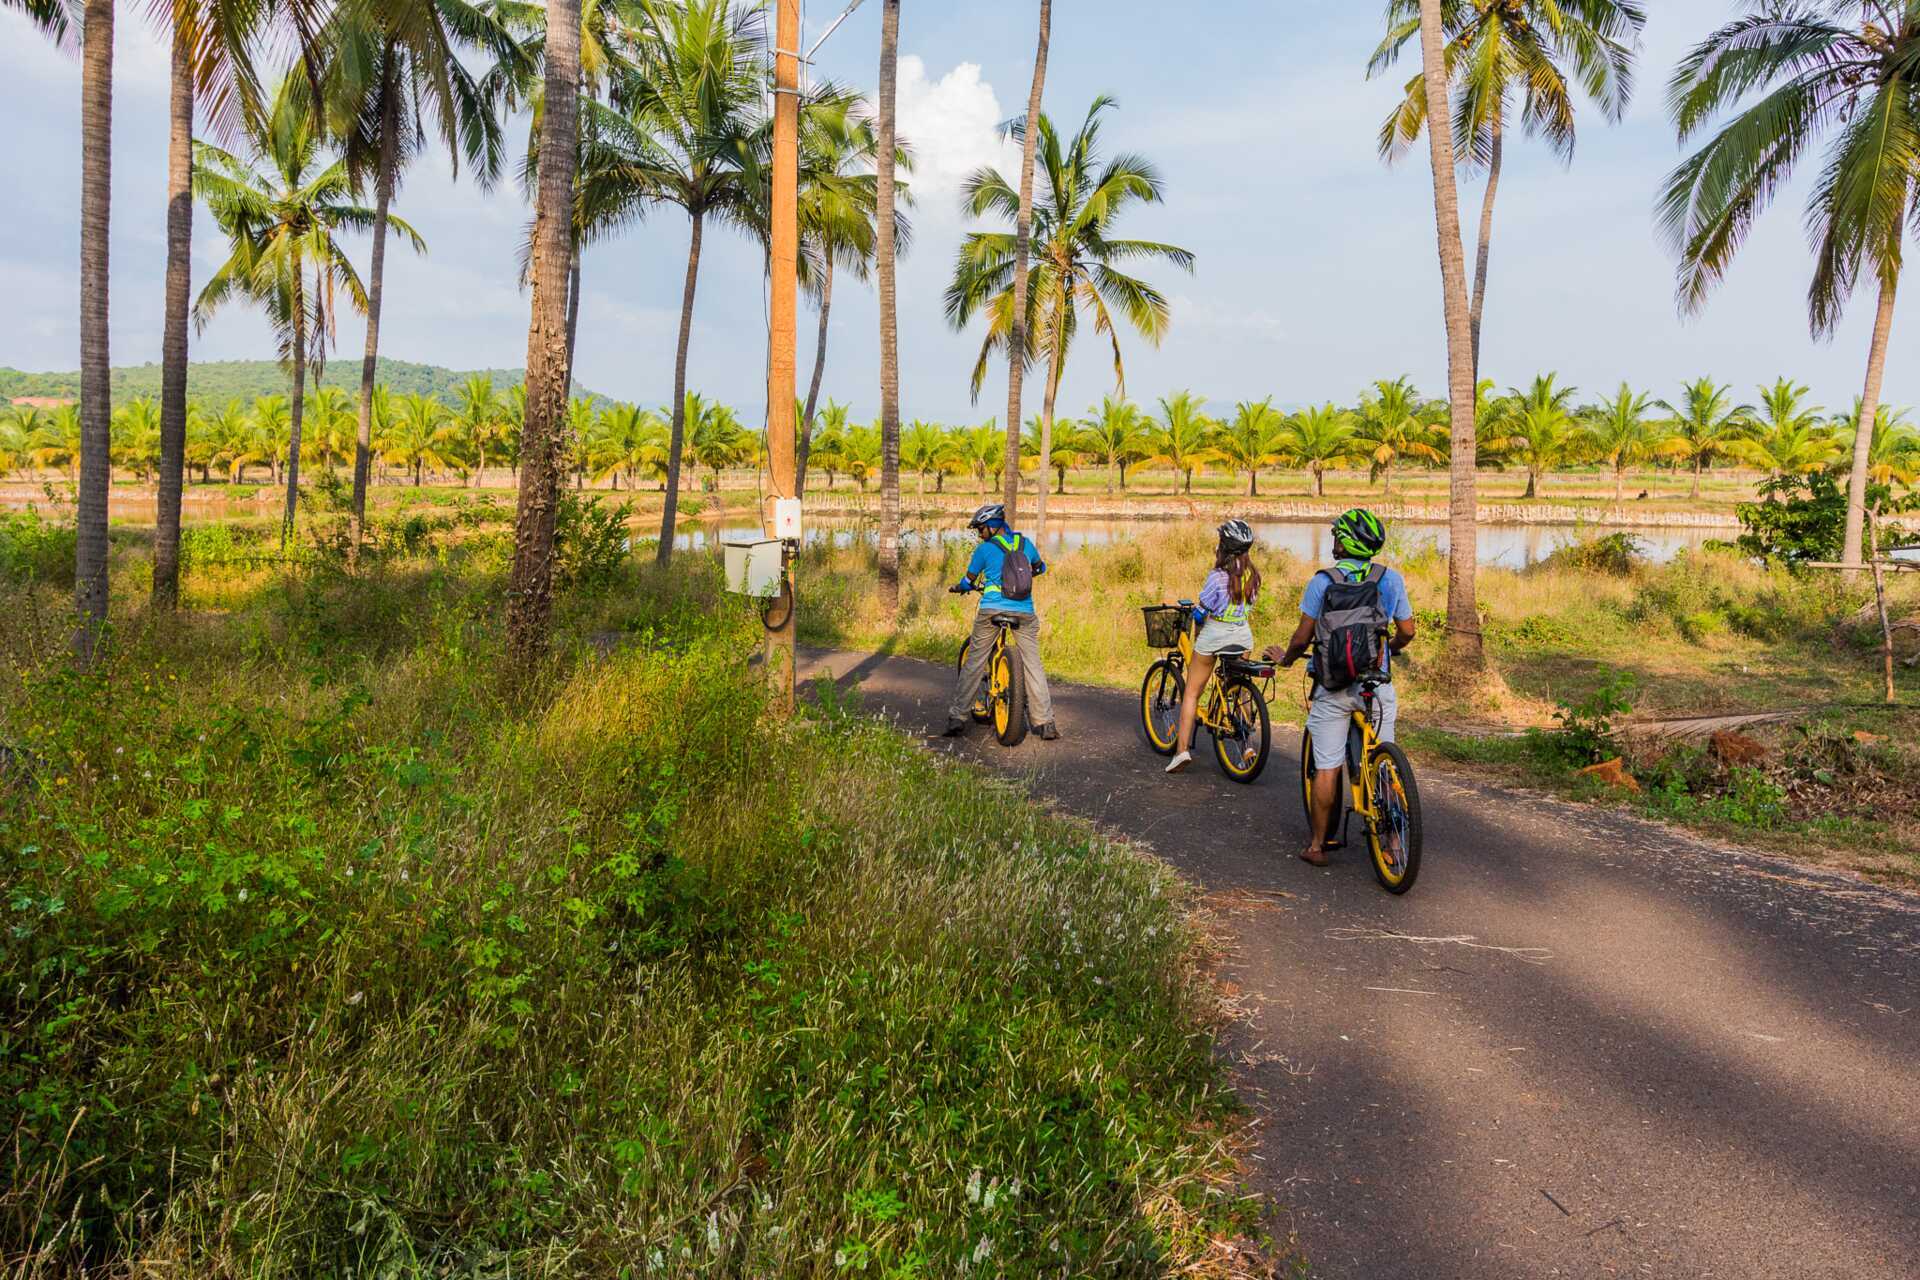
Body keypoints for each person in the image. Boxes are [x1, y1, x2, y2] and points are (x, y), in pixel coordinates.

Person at [1265, 508, 1416, 866]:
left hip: (1333, 688)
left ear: (1344, 542)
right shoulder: (1389, 579)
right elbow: (1408, 631)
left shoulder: (1322, 582)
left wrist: (1286, 658)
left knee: (1327, 765)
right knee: (1385, 761)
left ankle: (1318, 845)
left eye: (1336, 535)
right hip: (1375, 686)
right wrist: (1388, 651)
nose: (1332, 540)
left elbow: (1303, 636)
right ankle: (1394, 844)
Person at [944, 503, 1060, 740]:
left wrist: (960, 587)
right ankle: (1046, 723)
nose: (979, 533)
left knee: (975, 661)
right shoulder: (1025, 544)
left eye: (980, 529)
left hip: (991, 610)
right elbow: (1040, 567)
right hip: (1025, 612)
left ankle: (958, 717)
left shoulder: (984, 550)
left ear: (992, 527)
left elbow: (969, 581)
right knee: (1033, 664)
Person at [1166, 519, 1262, 773]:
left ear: (1223, 548)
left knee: (1191, 692)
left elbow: (1202, 612)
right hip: (1242, 635)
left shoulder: (1217, 577)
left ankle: (1182, 751)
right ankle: (1248, 747)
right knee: (1240, 694)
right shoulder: (1254, 576)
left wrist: (1193, 613)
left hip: (1215, 634)